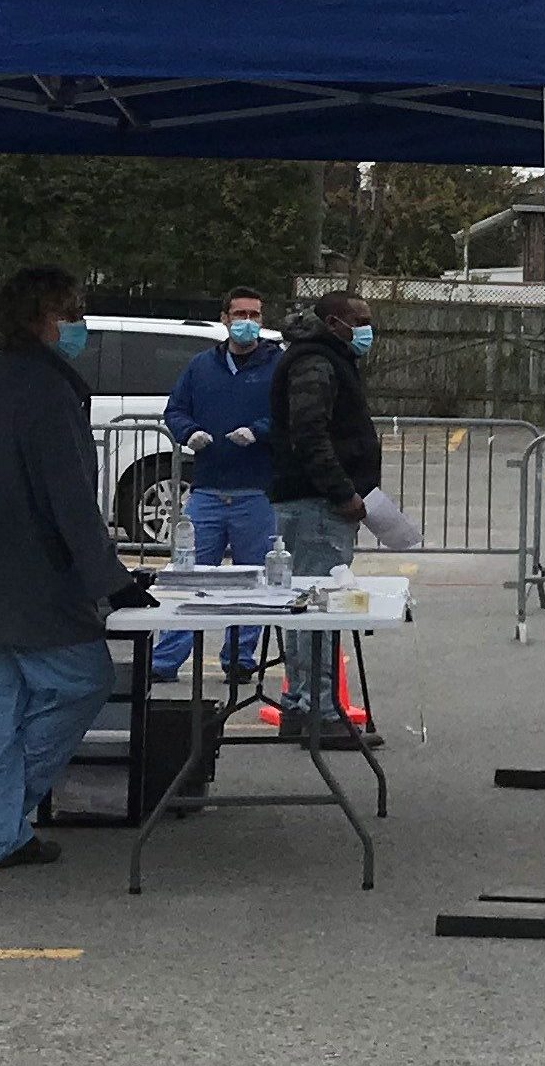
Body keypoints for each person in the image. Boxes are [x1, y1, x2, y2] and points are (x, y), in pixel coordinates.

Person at [0, 265, 154, 869]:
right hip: (34, 571)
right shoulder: (50, 390)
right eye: (71, 312)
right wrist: (112, 582)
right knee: (84, 680)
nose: (79, 324)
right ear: (42, 318)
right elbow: (70, 498)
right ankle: (3, 805)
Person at [266, 289, 384, 746]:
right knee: (319, 605)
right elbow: (310, 433)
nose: (367, 330)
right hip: (317, 503)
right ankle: (319, 708)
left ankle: (301, 703)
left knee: (304, 604)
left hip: (309, 500)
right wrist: (342, 491)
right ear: (335, 323)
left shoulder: (322, 357)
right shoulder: (316, 362)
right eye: (360, 321)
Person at [150, 286, 280, 686]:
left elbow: (289, 414)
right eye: (240, 314)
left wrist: (259, 431)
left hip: (256, 492)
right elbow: (175, 409)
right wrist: (189, 432)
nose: (248, 322)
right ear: (224, 319)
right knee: (188, 577)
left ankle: (239, 657)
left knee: (252, 579)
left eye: (255, 315)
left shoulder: (277, 366)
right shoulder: (201, 366)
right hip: (207, 490)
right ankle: (165, 659)